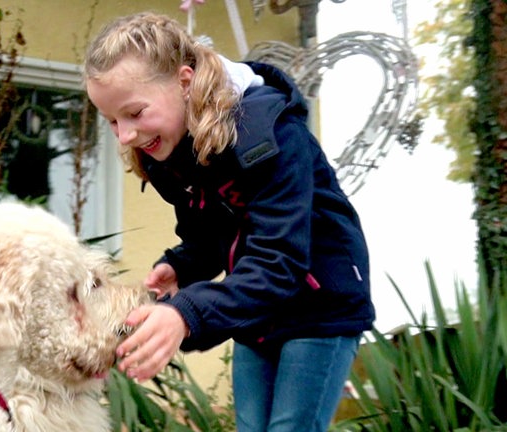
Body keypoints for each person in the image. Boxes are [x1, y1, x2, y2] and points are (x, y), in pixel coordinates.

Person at [83, 12, 375, 432]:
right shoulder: (169, 153)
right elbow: (212, 233)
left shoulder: (269, 134)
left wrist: (185, 314)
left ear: (185, 82)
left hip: (320, 302)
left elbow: (279, 258)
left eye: (134, 113)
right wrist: (185, 265)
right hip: (257, 303)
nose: (125, 135)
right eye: (113, 121)